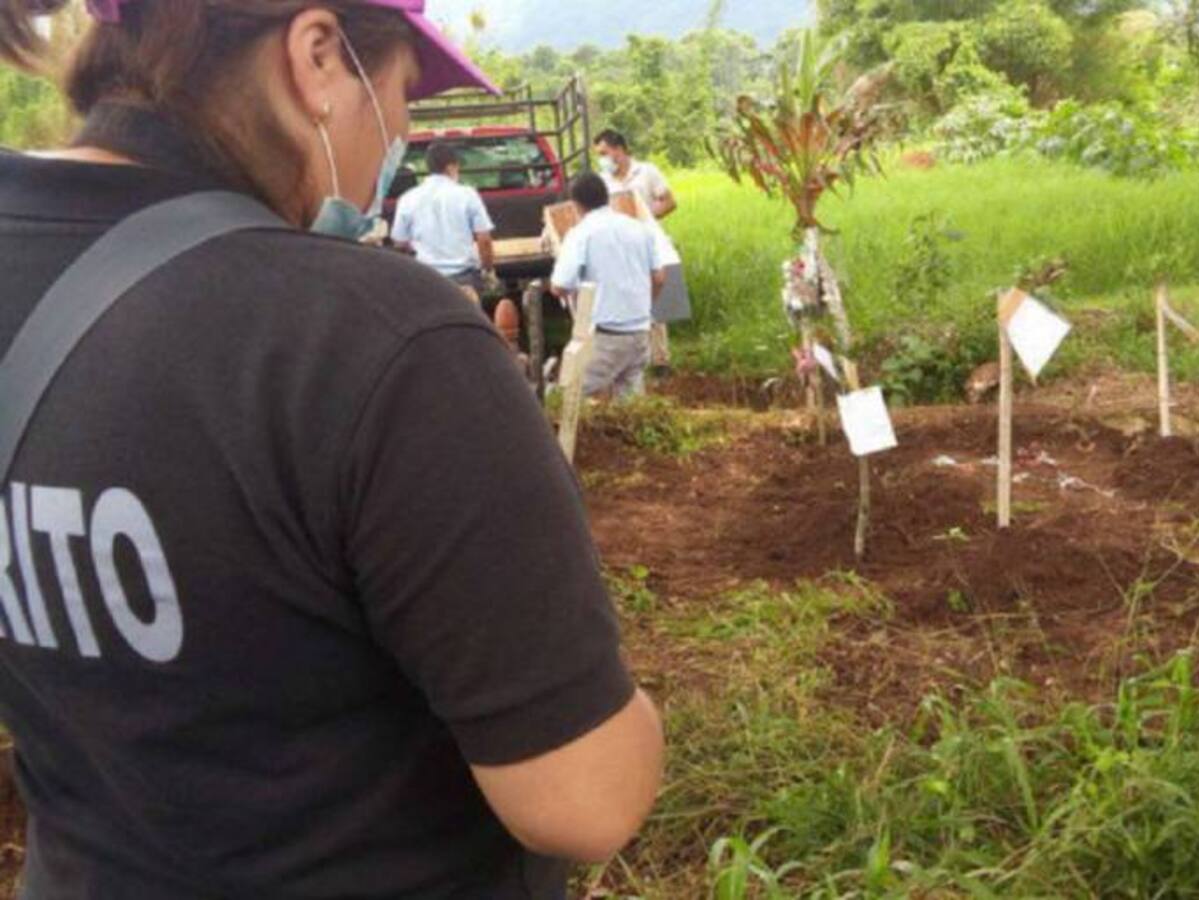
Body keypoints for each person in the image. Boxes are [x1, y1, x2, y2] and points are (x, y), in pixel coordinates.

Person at [0, 2, 664, 898]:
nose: (394, 141)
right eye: (400, 97)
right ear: (318, 56)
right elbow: (584, 801)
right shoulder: (379, 341)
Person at [551, 173, 665, 400]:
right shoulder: (639, 228)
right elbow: (659, 278)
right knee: (630, 403)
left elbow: (560, 285)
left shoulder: (580, 234)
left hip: (606, 334)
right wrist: (643, 306)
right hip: (640, 331)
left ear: (574, 205)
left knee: (565, 397)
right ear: (606, 197)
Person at [593, 128, 690, 377]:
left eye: (604, 153)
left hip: (647, 244)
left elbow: (669, 201)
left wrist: (646, 217)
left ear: (619, 150)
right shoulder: (603, 180)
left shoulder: (646, 172)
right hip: (618, 249)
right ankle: (634, 360)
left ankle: (660, 360)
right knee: (628, 299)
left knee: (655, 294)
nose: (602, 159)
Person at [392, 140, 497, 303]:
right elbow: (484, 240)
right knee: (467, 325)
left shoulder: (407, 199)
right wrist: (488, 270)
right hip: (465, 279)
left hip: (427, 278)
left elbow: (399, 244)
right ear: (451, 167)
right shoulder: (467, 195)